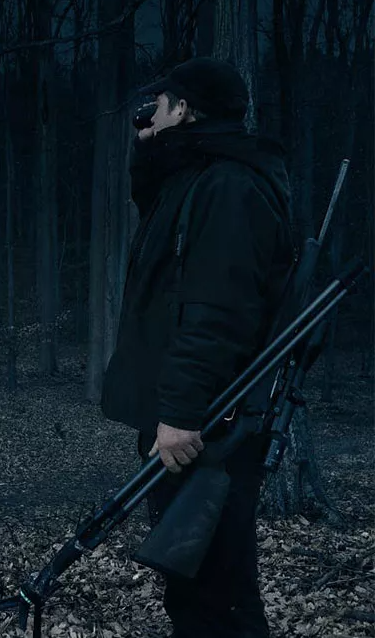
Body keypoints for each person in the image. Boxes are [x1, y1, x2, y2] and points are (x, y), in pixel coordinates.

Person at [99, 57, 296, 638]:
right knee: (194, 586)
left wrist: (182, 413)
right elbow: (155, 211)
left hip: (207, 426)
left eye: (155, 106)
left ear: (183, 109)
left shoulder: (228, 186)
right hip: (191, 418)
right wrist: (147, 148)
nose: (145, 118)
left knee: (217, 593)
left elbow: (217, 312)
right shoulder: (197, 180)